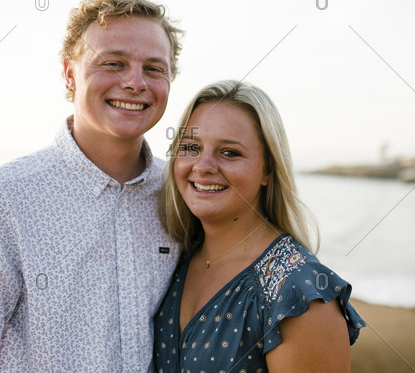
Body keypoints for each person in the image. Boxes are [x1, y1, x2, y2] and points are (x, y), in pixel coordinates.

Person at [0, 0, 184, 372]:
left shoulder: (181, 194)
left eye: (154, 68)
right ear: (69, 73)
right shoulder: (0, 197)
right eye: (113, 63)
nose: (136, 82)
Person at [154, 80, 365, 372]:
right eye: (191, 147)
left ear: (267, 169)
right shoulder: (177, 257)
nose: (202, 166)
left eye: (229, 152)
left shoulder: (299, 292)